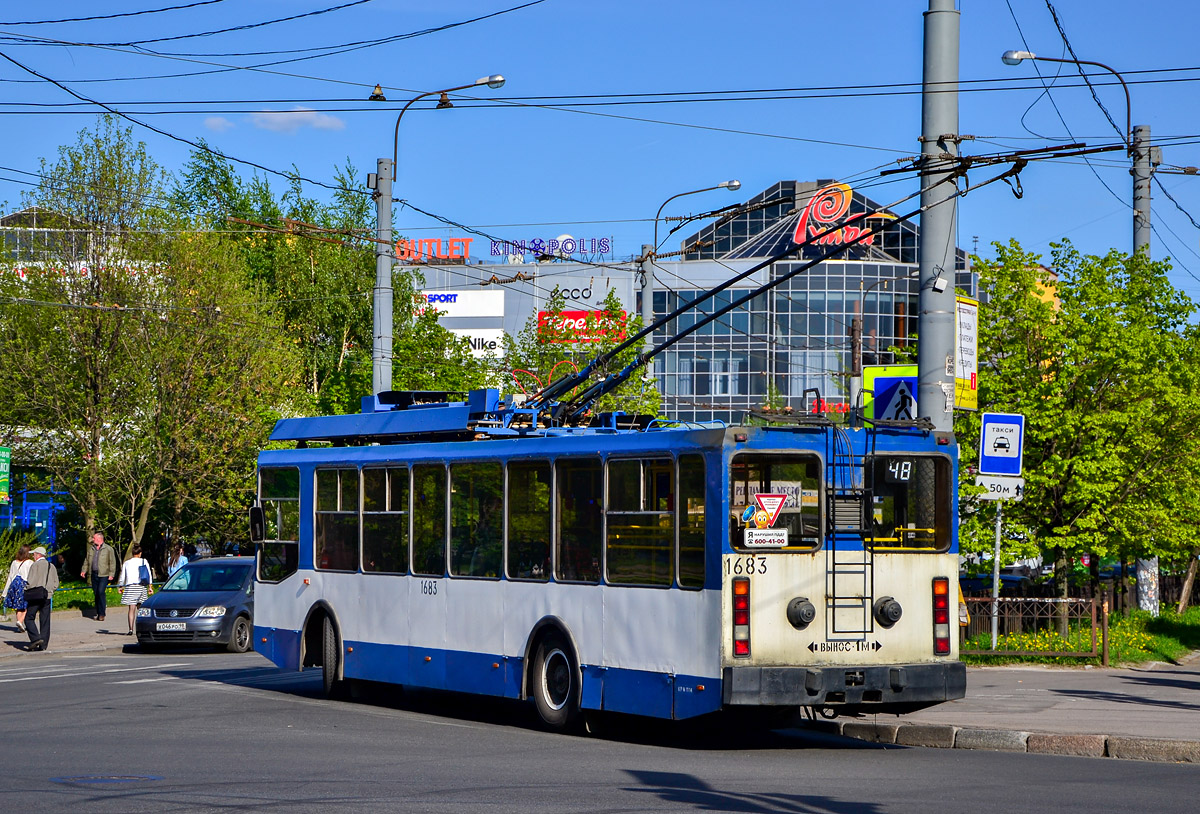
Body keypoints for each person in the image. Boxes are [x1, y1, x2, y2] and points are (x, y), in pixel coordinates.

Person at [22, 546, 59, 651]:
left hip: (35, 596)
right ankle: (43, 645)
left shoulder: (35, 565)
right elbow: (56, 583)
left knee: (29, 618)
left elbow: (31, 582)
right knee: (45, 621)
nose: (33, 556)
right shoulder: (51, 566)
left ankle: (35, 638)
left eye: (34, 554)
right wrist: (50, 591)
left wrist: (26, 589)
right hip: (47, 596)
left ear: (38, 555)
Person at [116, 544, 154, 636]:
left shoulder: (127, 563)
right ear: (140, 553)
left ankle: (130, 629)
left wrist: (120, 586)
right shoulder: (144, 561)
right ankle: (142, 628)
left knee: (131, 609)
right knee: (141, 609)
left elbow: (123, 576)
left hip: (130, 587)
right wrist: (150, 587)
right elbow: (148, 574)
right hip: (141, 586)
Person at [80, 532, 117, 622]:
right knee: (96, 594)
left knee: (101, 592)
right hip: (94, 574)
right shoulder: (91, 549)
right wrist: (84, 570)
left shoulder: (108, 549)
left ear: (99, 539)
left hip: (104, 575)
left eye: (94, 538)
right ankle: (98, 611)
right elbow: (87, 560)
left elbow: (112, 562)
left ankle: (102, 614)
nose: (93, 539)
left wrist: (111, 574)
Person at [3, 544, 32, 632]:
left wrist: (5, 592)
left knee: (18, 605)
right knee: (27, 605)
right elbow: (31, 575)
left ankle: (20, 624)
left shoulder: (14, 562)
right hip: (24, 585)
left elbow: (10, 577)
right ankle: (20, 621)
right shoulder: (30, 562)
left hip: (14, 586)